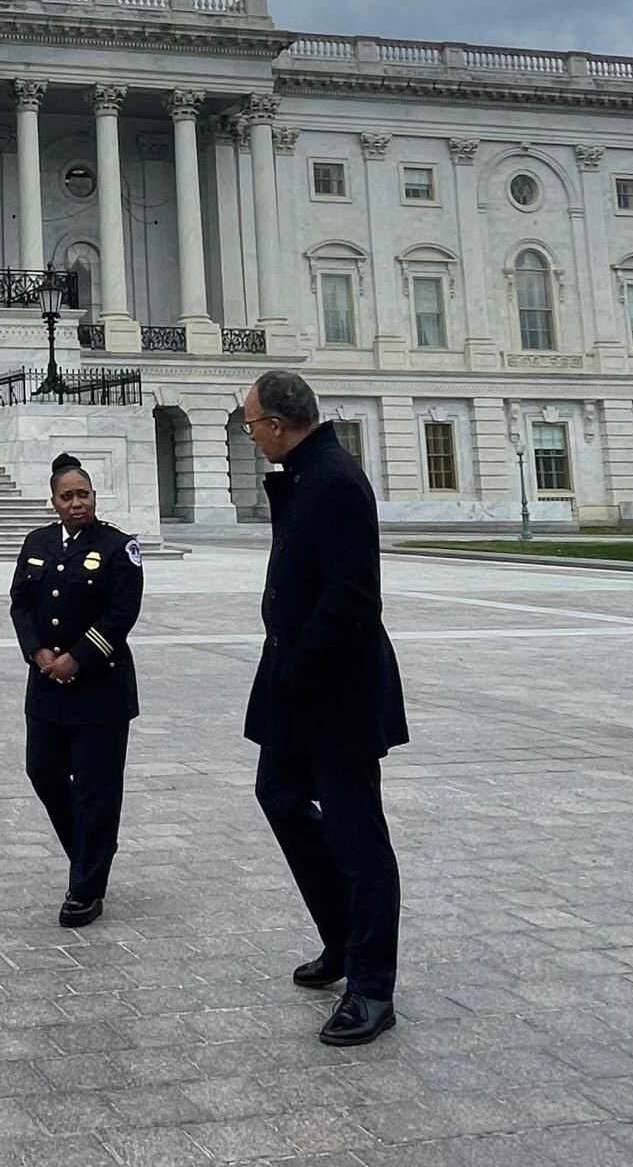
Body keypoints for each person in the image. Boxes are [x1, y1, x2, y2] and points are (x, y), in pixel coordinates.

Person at [242, 370, 407, 1047]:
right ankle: (340, 934)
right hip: (295, 672)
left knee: (357, 832)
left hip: (333, 683)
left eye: (252, 423)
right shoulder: (305, 477)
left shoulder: (335, 480)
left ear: (279, 424)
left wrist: (300, 663)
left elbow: (353, 597)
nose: (250, 435)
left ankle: (372, 987)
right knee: (278, 794)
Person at [9, 455, 143, 928]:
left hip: (100, 689)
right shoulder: (37, 543)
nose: (75, 503)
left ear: (94, 497)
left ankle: (86, 888)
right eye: (66, 496)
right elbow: (21, 604)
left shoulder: (119, 547)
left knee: (96, 791)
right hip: (46, 686)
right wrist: (38, 652)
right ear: (54, 501)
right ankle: (91, 852)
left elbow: (121, 614)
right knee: (42, 772)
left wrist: (77, 658)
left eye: (82, 494)